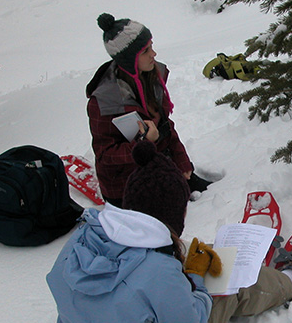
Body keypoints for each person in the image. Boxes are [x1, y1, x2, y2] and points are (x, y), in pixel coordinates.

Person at [46, 141, 292, 323]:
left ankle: (254, 273)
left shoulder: (82, 237)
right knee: (225, 274)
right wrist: (196, 279)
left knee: (195, 258)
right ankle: (287, 281)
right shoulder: (157, 272)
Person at [86, 13, 211, 207]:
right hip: (125, 188)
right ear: (129, 59)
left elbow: (165, 125)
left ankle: (178, 182)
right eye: (146, 51)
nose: (153, 54)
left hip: (155, 167)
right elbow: (105, 154)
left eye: (151, 47)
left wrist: (182, 161)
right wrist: (143, 143)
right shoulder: (104, 101)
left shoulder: (152, 78)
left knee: (200, 196)